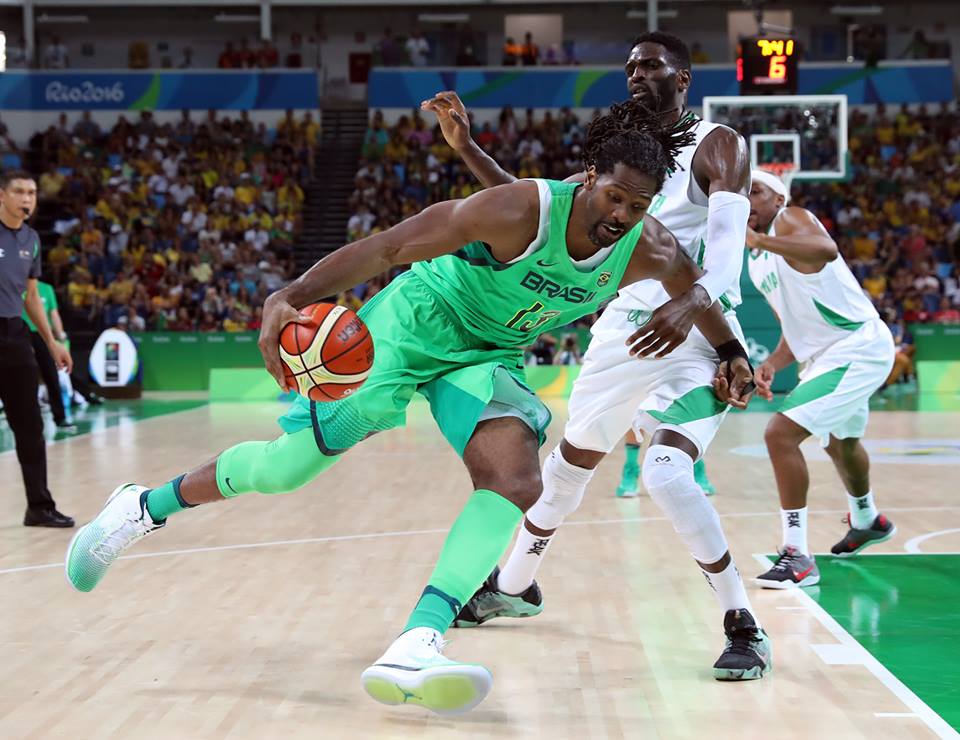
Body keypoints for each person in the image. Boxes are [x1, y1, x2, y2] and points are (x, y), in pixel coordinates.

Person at [65, 103, 754, 714]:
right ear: (587, 178)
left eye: (639, 206)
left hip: (487, 355)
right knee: (284, 471)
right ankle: (141, 508)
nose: (622, 217)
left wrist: (731, 353)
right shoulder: (519, 210)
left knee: (517, 479)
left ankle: (418, 642)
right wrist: (291, 295)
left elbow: (698, 290)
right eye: (614, 198)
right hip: (414, 324)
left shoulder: (647, 246)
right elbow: (391, 245)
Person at [421, 31, 768, 681]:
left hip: (699, 330)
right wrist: (467, 148)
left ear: (684, 78)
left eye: (652, 66)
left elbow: (724, 256)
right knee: (568, 465)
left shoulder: (718, 145)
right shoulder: (623, 159)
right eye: (630, 65)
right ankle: (516, 585)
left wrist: (694, 311)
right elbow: (536, 212)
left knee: (666, 469)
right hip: (624, 332)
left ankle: (742, 621)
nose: (636, 75)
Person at [746, 170, 897, 588]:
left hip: (856, 347)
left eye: (756, 192)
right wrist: (775, 361)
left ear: (778, 198)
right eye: (743, 195)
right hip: (823, 357)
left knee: (780, 434)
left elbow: (825, 249)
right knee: (842, 445)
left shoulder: (790, 219)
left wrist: (762, 239)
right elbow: (793, 327)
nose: (748, 200)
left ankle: (797, 555)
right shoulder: (755, 261)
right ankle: (867, 519)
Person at [0, 170, 74, 527]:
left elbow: (32, 297)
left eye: (31, 192)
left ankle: (39, 507)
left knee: (29, 426)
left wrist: (51, 341)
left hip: (15, 335)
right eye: (19, 192)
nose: (27, 199)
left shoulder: (31, 238)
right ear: (2, 195)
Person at [24, 278, 75, 431]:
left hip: (42, 334)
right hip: (20, 333)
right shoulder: (16, 283)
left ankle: (60, 417)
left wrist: (60, 335)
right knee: (22, 376)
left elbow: (53, 314)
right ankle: (25, 417)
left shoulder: (46, 288)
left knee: (51, 375)